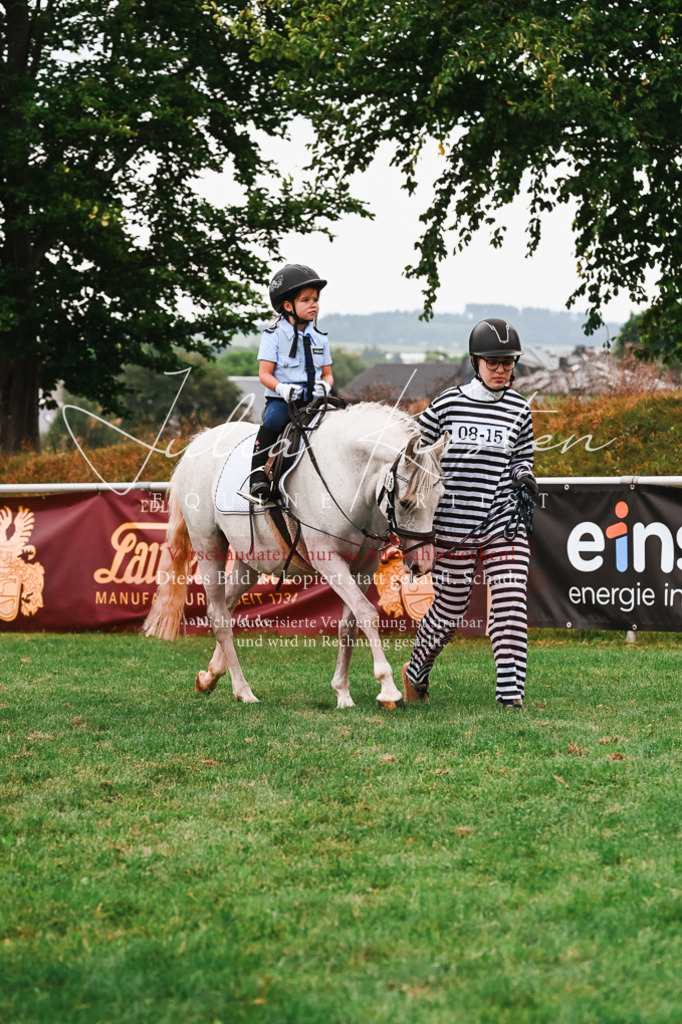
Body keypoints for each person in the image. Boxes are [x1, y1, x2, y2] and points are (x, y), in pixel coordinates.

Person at [402, 317, 537, 708]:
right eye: (493, 362)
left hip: (503, 521)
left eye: (508, 362)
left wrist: (525, 476)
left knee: (511, 604)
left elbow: (522, 459)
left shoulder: (519, 410)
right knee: (449, 611)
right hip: (452, 524)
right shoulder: (446, 405)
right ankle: (415, 674)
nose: (501, 369)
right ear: (475, 361)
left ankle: (510, 699)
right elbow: (416, 456)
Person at [245, 264, 334, 502]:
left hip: (314, 398)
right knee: (274, 419)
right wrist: (282, 388)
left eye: (315, 299)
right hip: (283, 400)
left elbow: (328, 373)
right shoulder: (272, 336)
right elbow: (264, 374)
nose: (313, 304)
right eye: (306, 300)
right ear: (287, 305)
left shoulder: (320, 338)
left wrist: (325, 385)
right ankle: (257, 472)